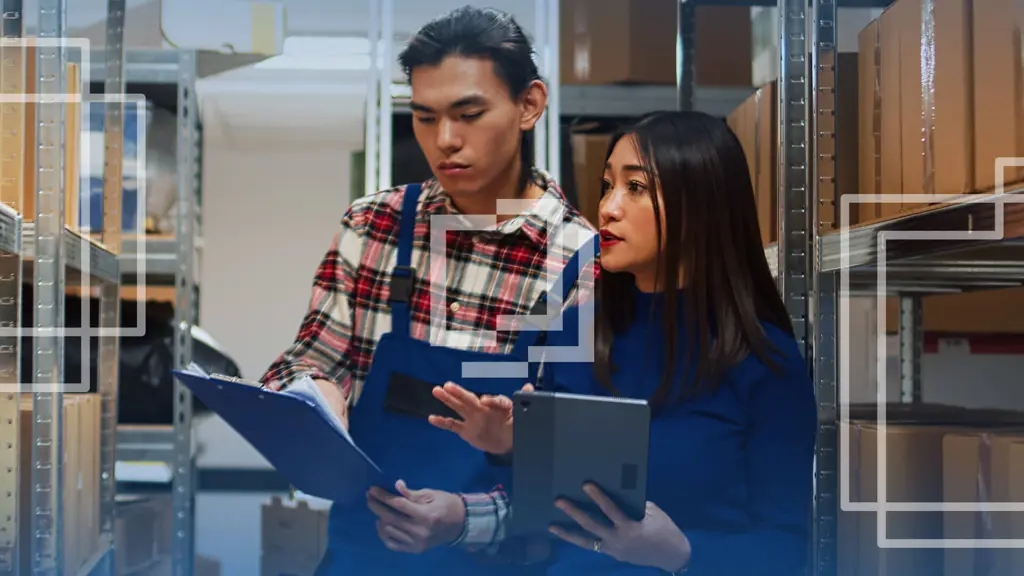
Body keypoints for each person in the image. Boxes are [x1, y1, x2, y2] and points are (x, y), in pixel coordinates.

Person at [259, 5, 598, 575]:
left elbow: (578, 463)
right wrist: (314, 393)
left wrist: (466, 519)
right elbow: (312, 358)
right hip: (361, 554)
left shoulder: (579, 261)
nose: (444, 141)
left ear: (529, 105)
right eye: (424, 117)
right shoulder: (375, 225)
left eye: (468, 114)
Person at [428, 111, 818, 575]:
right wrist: (508, 447)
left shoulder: (764, 363)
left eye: (636, 188)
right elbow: (544, 514)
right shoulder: (572, 334)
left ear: (702, 204)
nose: (608, 208)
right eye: (607, 185)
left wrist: (682, 554)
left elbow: (787, 551)